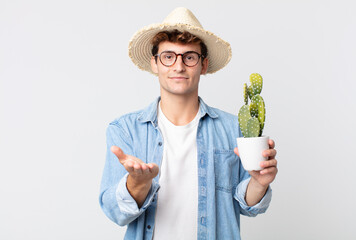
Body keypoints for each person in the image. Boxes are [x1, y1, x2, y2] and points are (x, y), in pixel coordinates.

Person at [99, 7, 278, 240]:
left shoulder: (234, 129)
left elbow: (248, 205)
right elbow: (114, 212)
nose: (179, 66)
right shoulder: (125, 130)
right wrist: (137, 183)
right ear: (155, 63)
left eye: (190, 57)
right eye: (168, 56)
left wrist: (259, 182)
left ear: (203, 65)